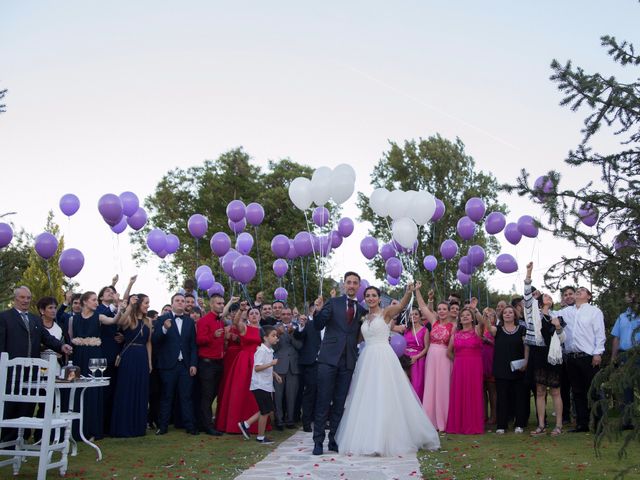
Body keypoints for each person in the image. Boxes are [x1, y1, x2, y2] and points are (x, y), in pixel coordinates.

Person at [335, 282, 439, 456]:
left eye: (373, 295)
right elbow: (359, 338)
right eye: (367, 296)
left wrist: (408, 292)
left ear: (379, 297)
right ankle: (368, 436)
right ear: (364, 298)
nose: (370, 298)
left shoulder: (386, 313)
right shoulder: (363, 317)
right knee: (367, 395)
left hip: (383, 356)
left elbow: (401, 306)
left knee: (386, 393)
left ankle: (388, 437)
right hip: (367, 358)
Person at [0, 287, 73, 443]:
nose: (26, 300)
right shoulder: (5, 317)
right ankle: (7, 443)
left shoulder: (34, 320)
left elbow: (46, 338)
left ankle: (23, 440)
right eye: (22, 297)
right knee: (11, 407)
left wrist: (61, 347)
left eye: (28, 298)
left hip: (32, 373)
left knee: (27, 407)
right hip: (11, 372)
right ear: (15, 298)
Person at [311, 272, 368, 456]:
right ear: (344, 284)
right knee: (323, 401)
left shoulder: (361, 310)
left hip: (348, 361)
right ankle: (318, 441)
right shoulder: (333, 302)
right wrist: (318, 310)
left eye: (355, 283)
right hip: (328, 359)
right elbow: (319, 325)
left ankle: (334, 439)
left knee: (340, 403)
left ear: (359, 287)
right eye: (349, 282)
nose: (351, 285)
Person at [69, 291, 123, 440]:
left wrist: (120, 310)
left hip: (94, 357)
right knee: (77, 389)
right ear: (85, 302)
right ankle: (76, 429)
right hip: (78, 356)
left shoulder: (99, 316)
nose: (96, 303)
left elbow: (113, 322)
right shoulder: (74, 319)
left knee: (93, 390)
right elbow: (71, 336)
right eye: (93, 300)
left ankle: (93, 429)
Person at [215, 304, 267, 434]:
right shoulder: (244, 327)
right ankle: (236, 423)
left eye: (256, 313)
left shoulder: (263, 330)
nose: (254, 315)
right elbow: (235, 321)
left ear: (260, 316)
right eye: (251, 313)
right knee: (240, 390)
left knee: (256, 393)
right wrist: (241, 310)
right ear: (248, 316)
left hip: (258, 362)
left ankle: (255, 424)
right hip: (244, 361)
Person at [152, 293, 199, 436]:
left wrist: (193, 364)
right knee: (166, 396)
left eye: (182, 301)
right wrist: (164, 329)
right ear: (172, 303)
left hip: (185, 365)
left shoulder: (190, 322)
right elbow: (155, 340)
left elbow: (192, 345)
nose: (180, 303)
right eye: (177, 301)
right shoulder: (162, 319)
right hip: (168, 365)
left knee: (186, 397)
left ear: (185, 304)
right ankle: (163, 427)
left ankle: (190, 427)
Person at [563, 286, 606, 433]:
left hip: (588, 357)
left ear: (589, 296)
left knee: (593, 391)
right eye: (577, 290)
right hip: (572, 358)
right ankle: (582, 424)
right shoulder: (567, 312)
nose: (578, 291)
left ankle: (600, 424)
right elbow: (550, 314)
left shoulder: (594, 311)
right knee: (577, 392)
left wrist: (598, 353)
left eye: (582, 290)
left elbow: (600, 333)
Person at [110, 294, 152, 437]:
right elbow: (120, 321)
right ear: (139, 304)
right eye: (146, 303)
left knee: (140, 390)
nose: (148, 305)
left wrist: (149, 361)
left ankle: (138, 427)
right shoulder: (129, 319)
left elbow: (148, 342)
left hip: (142, 357)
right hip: (129, 356)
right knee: (127, 389)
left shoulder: (149, 321)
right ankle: (123, 426)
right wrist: (130, 306)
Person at [446, 302, 487, 435]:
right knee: (459, 394)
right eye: (462, 315)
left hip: (474, 368)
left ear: (472, 317)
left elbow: (483, 322)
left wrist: (475, 310)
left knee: (473, 393)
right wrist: (458, 361)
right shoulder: (455, 335)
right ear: (459, 319)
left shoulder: (477, 330)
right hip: (459, 368)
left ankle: (473, 424)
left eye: (467, 315)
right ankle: (458, 425)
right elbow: (449, 352)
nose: (464, 317)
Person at [487, 305, 529, 434]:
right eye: (505, 312)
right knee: (502, 397)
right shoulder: (497, 330)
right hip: (501, 368)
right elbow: (488, 327)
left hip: (519, 368)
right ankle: (501, 425)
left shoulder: (522, 329)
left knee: (519, 397)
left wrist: (526, 361)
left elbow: (526, 346)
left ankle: (519, 424)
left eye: (510, 312)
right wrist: (484, 315)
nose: (508, 314)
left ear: (515, 315)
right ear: (502, 315)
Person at [238, 326, 282, 444]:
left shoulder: (269, 350)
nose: (276, 337)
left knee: (266, 409)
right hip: (260, 384)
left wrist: (275, 374)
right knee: (265, 411)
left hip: (266, 384)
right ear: (265, 338)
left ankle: (246, 424)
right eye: (273, 335)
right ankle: (260, 437)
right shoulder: (261, 351)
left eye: (276, 335)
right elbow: (257, 368)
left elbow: (266, 367)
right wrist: (271, 364)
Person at [421, 299, 455, 431]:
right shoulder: (433, 322)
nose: (441, 311)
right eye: (439, 309)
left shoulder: (454, 326)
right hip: (431, 357)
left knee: (443, 387)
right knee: (430, 386)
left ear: (449, 311)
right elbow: (423, 307)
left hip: (445, 357)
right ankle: (429, 420)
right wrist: (417, 290)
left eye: (444, 309)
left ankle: (444, 420)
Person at [195, 294, 226, 436]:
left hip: (218, 362)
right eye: (219, 303)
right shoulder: (204, 320)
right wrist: (213, 335)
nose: (221, 305)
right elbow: (199, 340)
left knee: (213, 394)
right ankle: (207, 426)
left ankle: (204, 422)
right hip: (207, 363)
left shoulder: (220, 320)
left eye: (222, 303)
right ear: (212, 304)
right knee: (207, 395)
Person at [293, 303, 321, 432]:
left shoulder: (330, 324)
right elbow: (299, 335)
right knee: (309, 392)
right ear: (311, 310)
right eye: (317, 307)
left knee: (322, 392)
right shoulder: (308, 324)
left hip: (326, 362)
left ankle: (320, 419)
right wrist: (301, 326)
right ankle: (306, 421)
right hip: (310, 362)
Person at [273, 306, 302, 429]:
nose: (285, 316)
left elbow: (300, 346)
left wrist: (291, 335)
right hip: (279, 366)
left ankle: (290, 419)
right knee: (278, 396)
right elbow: (273, 348)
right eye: (283, 314)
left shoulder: (298, 328)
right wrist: (278, 337)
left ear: (292, 315)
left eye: (288, 314)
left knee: (291, 395)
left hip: (293, 367)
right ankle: (279, 420)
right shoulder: (274, 328)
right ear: (280, 315)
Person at [482, 307, 497, 426]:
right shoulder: (480, 329)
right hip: (480, 361)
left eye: (490, 315)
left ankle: (494, 415)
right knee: (482, 391)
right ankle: (483, 415)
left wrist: (487, 340)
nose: (487, 317)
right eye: (485, 315)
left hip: (491, 361)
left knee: (492, 391)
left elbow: (497, 344)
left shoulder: (495, 328)